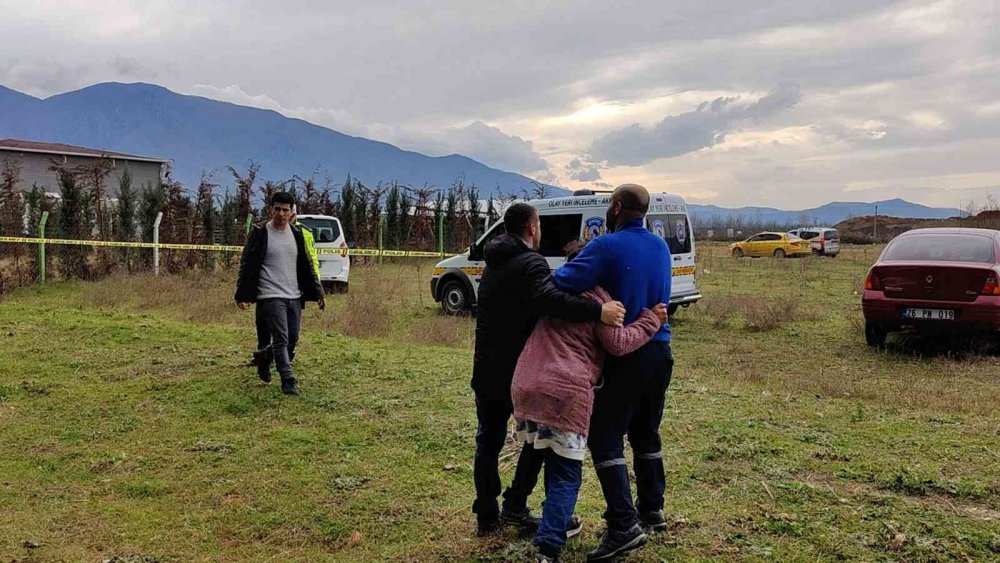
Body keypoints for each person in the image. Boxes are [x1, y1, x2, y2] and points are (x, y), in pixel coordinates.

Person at [473, 203, 626, 536]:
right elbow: (550, 300)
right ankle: (516, 505)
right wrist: (598, 310)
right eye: (539, 225)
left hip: (486, 368)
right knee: (539, 441)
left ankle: (488, 515)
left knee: (489, 442)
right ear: (532, 227)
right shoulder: (531, 263)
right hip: (521, 369)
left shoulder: (494, 262)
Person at [512, 241, 667, 563]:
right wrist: (651, 320)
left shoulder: (553, 293)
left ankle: (539, 515)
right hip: (564, 392)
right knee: (566, 473)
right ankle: (548, 549)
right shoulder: (600, 302)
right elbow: (619, 343)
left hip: (527, 384)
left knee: (546, 454)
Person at [550, 184, 674, 561]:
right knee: (646, 431)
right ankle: (652, 510)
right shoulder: (661, 246)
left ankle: (623, 525)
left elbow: (563, 281)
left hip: (627, 351)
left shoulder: (605, 246)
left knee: (605, 436)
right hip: (661, 350)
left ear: (617, 207)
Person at [235, 192, 325, 396]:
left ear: (292, 212)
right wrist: (242, 294)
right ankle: (288, 380)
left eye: (285, 210)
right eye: (277, 209)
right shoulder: (260, 232)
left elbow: (307, 264)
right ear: (270, 209)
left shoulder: (297, 234)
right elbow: (246, 264)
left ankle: (264, 357)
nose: (281, 214)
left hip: (294, 294)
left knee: (292, 338)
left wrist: (318, 291)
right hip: (269, 294)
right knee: (281, 337)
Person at [249, 204, 320, 370]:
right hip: (269, 291)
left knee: (290, 334)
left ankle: (270, 356)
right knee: (268, 328)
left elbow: (310, 261)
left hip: (294, 289)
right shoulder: (263, 231)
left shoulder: (302, 233)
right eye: (280, 211)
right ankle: (281, 370)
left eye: (289, 213)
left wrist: (316, 288)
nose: (285, 216)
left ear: (294, 215)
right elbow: (251, 261)